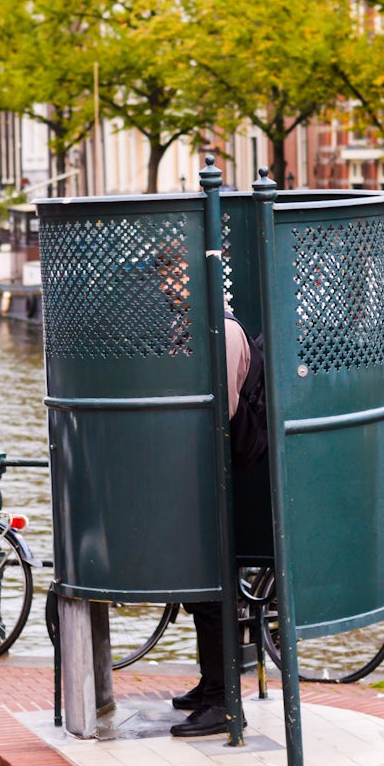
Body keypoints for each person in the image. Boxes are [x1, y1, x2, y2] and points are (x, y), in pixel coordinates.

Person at [169, 311, 253, 738]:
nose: (169, 288)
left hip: (223, 479)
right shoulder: (200, 327)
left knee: (212, 590)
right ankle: (213, 685)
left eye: (175, 276)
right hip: (204, 475)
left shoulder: (223, 330)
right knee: (200, 588)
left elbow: (222, 407)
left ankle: (224, 701)